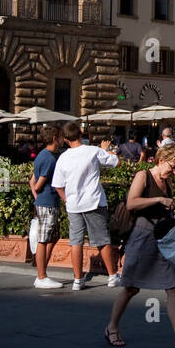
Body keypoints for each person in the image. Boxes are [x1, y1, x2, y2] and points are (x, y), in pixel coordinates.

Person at [105, 144, 175, 348]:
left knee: (173, 288)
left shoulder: (168, 180)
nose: (174, 171)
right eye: (172, 166)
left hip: (162, 237)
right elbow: (132, 203)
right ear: (161, 160)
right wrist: (159, 198)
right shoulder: (143, 175)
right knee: (130, 286)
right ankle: (112, 327)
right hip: (141, 235)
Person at [51, 123, 121, 290]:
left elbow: (58, 185)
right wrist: (107, 150)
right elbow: (115, 162)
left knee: (76, 242)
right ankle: (112, 276)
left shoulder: (63, 157)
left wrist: (67, 200)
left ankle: (77, 280)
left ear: (66, 139)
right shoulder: (93, 151)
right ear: (81, 133)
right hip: (93, 201)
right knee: (102, 240)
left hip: (74, 205)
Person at [30, 125, 63, 289]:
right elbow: (38, 184)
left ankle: (42, 271)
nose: (63, 139)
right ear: (55, 138)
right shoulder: (50, 159)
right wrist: (39, 195)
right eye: (61, 136)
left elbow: (31, 181)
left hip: (44, 201)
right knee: (43, 239)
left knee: (51, 236)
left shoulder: (41, 155)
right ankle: (41, 276)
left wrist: (37, 197)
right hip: (48, 201)